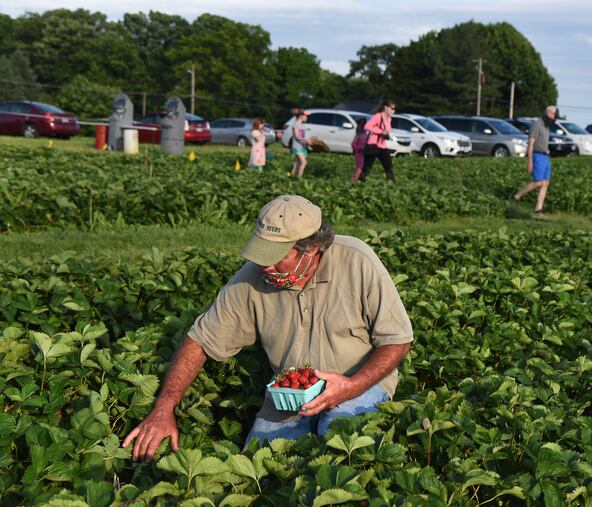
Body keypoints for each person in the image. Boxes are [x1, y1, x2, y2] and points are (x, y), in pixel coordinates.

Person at [122, 195, 414, 460]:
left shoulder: (357, 261)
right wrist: (164, 407)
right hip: (290, 395)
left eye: (276, 257)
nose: (265, 267)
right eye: (261, 253)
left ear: (310, 249)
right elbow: (199, 341)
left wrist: (352, 386)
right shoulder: (251, 279)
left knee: (339, 445)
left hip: (360, 382)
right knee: (259, 466)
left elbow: (398, 340)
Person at [512, 105, 557, 214]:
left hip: (545, 156)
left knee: (545, 183)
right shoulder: (537, 124)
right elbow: (531, 143)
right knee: (538, 183)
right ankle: (517, 196)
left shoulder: (546, 126)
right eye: (553, 114)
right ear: (548, 113)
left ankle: (538, 209)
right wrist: (530, 161)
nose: (554, 117)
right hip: (537, 155)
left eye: (555, 115)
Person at [359, 100, 396, 182]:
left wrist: (385, 133)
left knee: (389, 166)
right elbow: (367, 126)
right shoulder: (378, 116)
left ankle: (391, 183)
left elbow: (387, 130)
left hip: (382, 146)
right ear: (386, 108)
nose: (393, 111)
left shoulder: (389, 119)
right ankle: (360, 182)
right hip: (373, 145)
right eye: (392, 108)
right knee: (367, 167)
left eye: (394, 109)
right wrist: (381, 131)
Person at [290, 110, 311, 177]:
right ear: (301, 116)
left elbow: (302, 135)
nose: (307, 117)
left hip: (302, 146)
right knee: (304, 162)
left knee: (297, 163)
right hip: (297, 146)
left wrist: (309, 140)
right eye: (306, 116)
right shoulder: (296, 124)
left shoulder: (302, 125)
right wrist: (306, 139)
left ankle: (293, 176)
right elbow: (297, 137)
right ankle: (299, 178)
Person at [350, 118, 368, 182]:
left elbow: (354, 141)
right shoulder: (364, 132)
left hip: (358, 151)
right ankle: (354, 179)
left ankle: (355, 178)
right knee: (360, 166)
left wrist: (354, 146)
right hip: (361, 150)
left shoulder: (359, 130)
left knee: (359, 166)